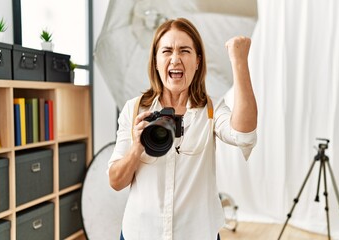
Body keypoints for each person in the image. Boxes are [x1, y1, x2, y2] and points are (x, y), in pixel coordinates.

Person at [108, 17, 257, 240]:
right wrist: (137, 148)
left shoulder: (211, 110)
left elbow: (244, 134)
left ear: (197, 61)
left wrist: (239, 62)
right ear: (156, 61)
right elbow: (116, 181)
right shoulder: (135, 109)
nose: (175, 59)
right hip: (141, 233)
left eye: (184, 51)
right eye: (167, 51)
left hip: (197, 233)